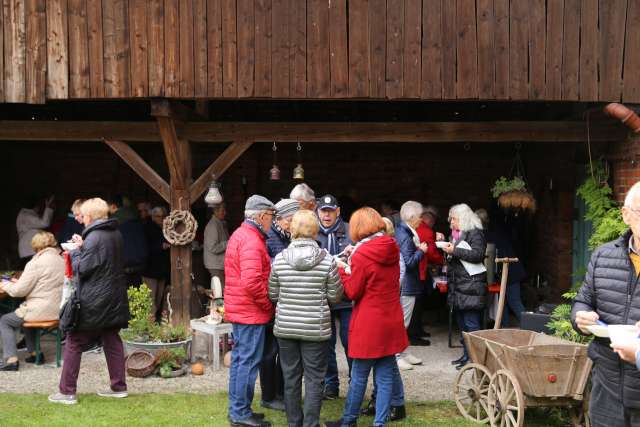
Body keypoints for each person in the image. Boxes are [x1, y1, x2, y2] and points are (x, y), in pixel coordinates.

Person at [325, 207, 409, 427]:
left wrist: (342, 269)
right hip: (391, 318)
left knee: (359, 375)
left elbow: (353, 291)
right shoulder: (391, 246)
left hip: (369, 321)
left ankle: (348, 421)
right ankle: (379, 423)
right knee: (384, 374)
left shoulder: (363, 253)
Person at [49, 198, 130, 405]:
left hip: (94, 299)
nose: (81, 219)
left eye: (83, 215)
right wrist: (83, 247)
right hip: (113, 297)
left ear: (91, 216)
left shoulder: (95, 237)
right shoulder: (115, 233)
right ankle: (119, 387)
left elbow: (83, 269)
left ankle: (67, 392)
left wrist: (75, 251)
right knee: (112, 340)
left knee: (74, 341)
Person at [572, 182, 640, 426]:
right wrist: (580, 317)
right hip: (607, 388)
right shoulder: (603, 256)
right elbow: (583, 300)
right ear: (625, 215)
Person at [269, 210, 344, 427]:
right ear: (315, 230)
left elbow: (272, 294)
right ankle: (310, 424)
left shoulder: (280, 260)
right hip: (315, 329)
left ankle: (294, 423)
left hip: (286, 328)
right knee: (315, 379)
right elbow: (335, 296)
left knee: (290, 379)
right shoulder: (327, 260)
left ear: (292, 229)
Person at [225, 195, 277, 427]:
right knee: (246, 362)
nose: (272, 222)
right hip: (250, 312)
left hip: (243, 310)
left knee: (240, 361)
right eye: (271, 217)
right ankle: (240, 413)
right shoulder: (251, 240)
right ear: (262, 215)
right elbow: (252, 282)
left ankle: (238, 409)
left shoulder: (242, 234)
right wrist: (268, 305)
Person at [360, 217, 407, 422]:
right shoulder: (380, 252)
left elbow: (396, 282)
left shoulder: (392, 254)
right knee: (384, 364)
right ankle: (380, 400)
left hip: (387, 312)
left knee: (389, 364)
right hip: (384, 311)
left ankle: (397, 402)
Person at [0, 232, 64, 371]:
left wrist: (4, 285)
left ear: (35, 245)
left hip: (40, 309)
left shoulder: (35, 262)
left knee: (6, 320)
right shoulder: (60, 260)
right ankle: (36, 354)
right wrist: (20, 282)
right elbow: (43, 283)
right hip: (57, 308)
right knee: (25, 318)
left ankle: (11, 360)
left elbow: (18, 291)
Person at [261, 198, 300, 412]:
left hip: (284, 304)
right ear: (280, 219)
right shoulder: (270, 238)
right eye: (290, 220)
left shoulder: (287, 236)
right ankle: (268, 396)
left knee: (281, 352)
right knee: (269, 352)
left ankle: (280, 393)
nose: (292, 225)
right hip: (271, 301)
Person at [316, 194, 354, 400]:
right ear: (317, 212)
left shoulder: (350, 230)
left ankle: (354, 382)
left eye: (330, 211)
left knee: (350, 341)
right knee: (326, 343)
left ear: (337, 211)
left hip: (347, 296)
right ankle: (331, 385)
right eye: (323, 211)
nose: (327, 215)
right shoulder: (311, 231)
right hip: (322, 296)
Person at [441, 204, 487, 370]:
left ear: (463, 218)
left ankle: (476, 360)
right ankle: (467, 356)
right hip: (459, 286)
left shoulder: (475, 233)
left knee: (472, 326)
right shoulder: (456, 235)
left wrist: (454, 251)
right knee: (462, 325)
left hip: (471, 287)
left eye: (453, 218)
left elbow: (477, 255)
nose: (451, 221)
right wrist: (448, 249)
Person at [394, 201, 430, 370]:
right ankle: (396, 356)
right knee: (402, 323)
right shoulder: (405, 235)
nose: (422, 220)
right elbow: (409, 263)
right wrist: (421, 250)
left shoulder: (403, 231)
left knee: (404, 322)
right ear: (413, 217)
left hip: (407, 285)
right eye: (420, 216)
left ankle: (404, 351)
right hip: (407, 285)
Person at [477, 208, 526, 327]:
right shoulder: (493, 231)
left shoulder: (488, 235)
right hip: (506, 271)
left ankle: (532, 326)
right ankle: (504, 327)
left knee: (514, 301)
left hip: (511, 271)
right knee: (501, 302)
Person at [409, 205, 446, 342]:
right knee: (417, 304)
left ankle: (417, 330)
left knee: (417, 303)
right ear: (430, 219)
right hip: (420, 270)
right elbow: (431, 253)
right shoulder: (426, 230)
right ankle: (414, 335)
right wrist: (443, 261)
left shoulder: (418, 228)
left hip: (415, 268)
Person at [107, 195, 148, 287]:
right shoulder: (136, 218)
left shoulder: (113, 222)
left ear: (113, 206)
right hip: (140, 263)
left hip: (122, 266)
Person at [141, 206, 170, 320]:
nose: (162, 219)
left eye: (163, 216)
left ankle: (155, 324)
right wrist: (161, 246)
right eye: (159, 216)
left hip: (161, 270)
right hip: (150, 270)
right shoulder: (146, 228)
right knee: (150, 300)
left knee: (158, 298)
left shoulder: (164, 228)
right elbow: (145, 247)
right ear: (153, 217)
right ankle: (149, 326)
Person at [17, 195, 55, 268]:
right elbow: (44, 223)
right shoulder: (26, 215)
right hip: (29, 250)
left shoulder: (26, 214)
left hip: (30, 250)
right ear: (37, 206)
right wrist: (49, 207)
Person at [204, 203, 229, 289]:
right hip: (215, 265)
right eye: (223, 211)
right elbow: (213, 247)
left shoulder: (220, 223)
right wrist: (228, 243)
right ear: (216, 211)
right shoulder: (213, 226)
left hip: (218, 264)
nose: (225, 213)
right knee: (220, 291)